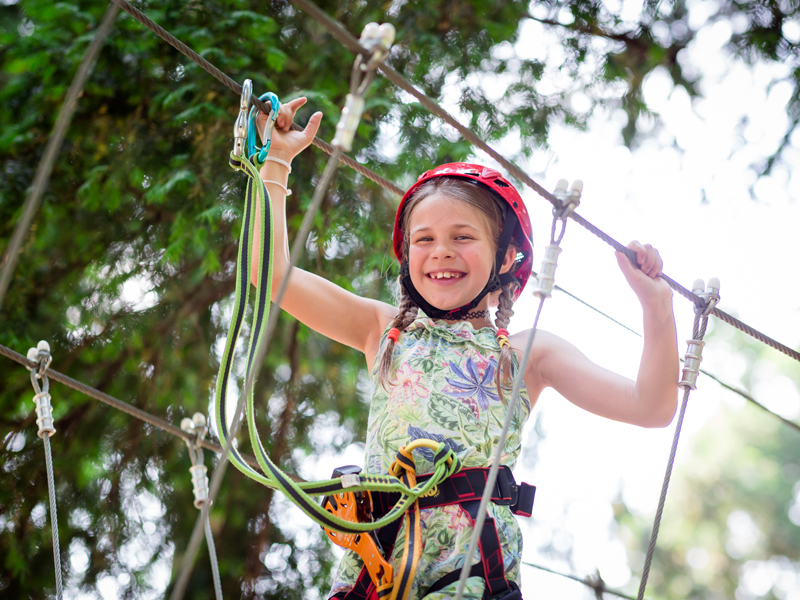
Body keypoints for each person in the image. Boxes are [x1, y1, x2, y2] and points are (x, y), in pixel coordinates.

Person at [253, 99, 679, 600]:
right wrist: (275, 165)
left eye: (462, 236)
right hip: (379, 571)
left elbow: (650, 408)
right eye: (424, 239)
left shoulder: (526, 356)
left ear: (507, 258)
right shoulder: (383, 329)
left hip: (473, 574)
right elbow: (273, 276)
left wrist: (657, 310)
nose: (440, 252)